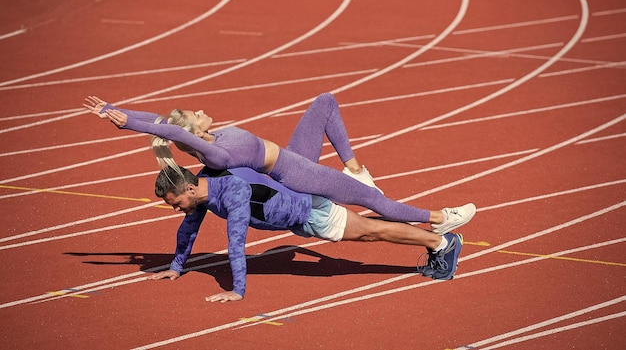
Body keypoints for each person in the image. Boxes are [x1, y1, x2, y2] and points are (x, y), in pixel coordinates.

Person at [83, 93, 475, 232]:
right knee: (371, 201)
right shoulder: (211, 151)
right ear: (195, 132)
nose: (203, 111)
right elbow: (172, 132)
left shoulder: (209, 138)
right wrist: (128, 125)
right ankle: (442, 217)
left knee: (324, 101)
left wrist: (113, 111)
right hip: (298, 174)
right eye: (197, 113)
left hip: (293, 158)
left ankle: (355, 166)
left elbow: (160, 122)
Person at [150, 165, 469, 302]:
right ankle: (436, 239)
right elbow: (189, 227)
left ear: (189, 188)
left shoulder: (230, 192)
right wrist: (177, 267)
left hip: (308, 211)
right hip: (300, 207)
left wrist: (238, 290)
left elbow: (236, 244)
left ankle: (442, 242)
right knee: (371, 227)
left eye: (174, 202)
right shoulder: (205, 181)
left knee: (372, 231)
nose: (175, 208)